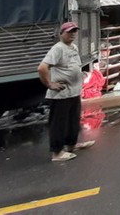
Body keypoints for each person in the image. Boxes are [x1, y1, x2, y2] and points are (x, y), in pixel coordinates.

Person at [37, 22, 95, 162]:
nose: (73, 34)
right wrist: (49, 84)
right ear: (61, 34)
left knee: (73, 121)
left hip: (73, 92)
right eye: (69, 32)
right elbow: (42, 68)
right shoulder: (58, 48)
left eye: (74, 31)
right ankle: (57, 153)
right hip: (61, 94)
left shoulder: (73, 47)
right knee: (59, 124)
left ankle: (71, 145)